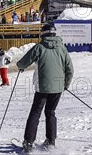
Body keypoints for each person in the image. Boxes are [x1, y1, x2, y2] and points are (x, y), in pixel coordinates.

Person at [17, 23, 73, 152]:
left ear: (43, 34)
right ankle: (51, 141)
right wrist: (66, 84)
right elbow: (70, 69)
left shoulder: (39, 47)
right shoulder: (62, 49)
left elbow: (25, 61)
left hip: (43, 87)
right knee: (50, 112)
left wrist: (21, 66)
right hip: (58, 87)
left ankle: (29, 142)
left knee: (36, 112)